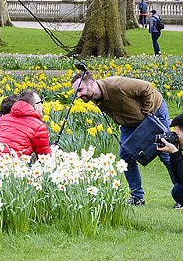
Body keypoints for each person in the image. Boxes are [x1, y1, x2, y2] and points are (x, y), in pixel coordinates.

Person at [72, 70, 170, 205]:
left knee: (166, 152)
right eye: (76, 92)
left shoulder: (116, 85)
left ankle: (182, 195)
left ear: (91, 83)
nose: (78, 95)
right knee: (125, 154)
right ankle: (137, 197)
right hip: (129, 123)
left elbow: (147, 87)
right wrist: (118, 120)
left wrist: (146, 115)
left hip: (155, 111)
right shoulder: (94, 97)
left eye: (80, 90)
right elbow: (111, 112)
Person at [0, 89, 52, 159]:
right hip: (13, 165)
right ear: (35, 107)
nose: (42, 105)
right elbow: (45, 157)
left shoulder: (3, 118)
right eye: (41, 102)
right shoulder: (38, 126)